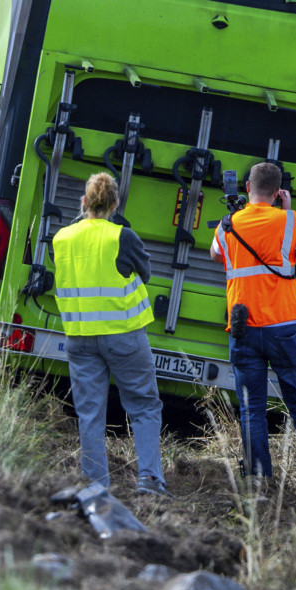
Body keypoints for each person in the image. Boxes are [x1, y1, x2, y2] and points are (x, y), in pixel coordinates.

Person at [209, 161, 296, 496]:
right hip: (286, 326)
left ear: (247, 187)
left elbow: (215, 255)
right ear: (279, 191)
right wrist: (288, 211)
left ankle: (257, 480)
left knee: (252, 406)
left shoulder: (228, 224)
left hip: (244, 326)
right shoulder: (288, 221)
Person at [52, 172, 167, 496]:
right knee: (143, 405)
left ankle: (94, 484)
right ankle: (150, 480)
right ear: (115, 204)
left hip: (80, 337)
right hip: (123, 335)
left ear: (84, 202)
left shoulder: (61, 238)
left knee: (89, 412)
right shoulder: (123, 237)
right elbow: (145, 272)